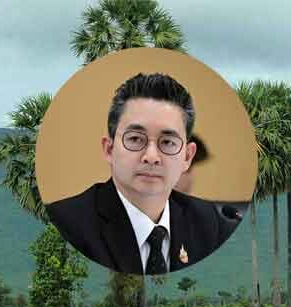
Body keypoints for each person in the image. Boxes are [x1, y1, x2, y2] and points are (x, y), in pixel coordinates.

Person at [46, 73, 242, 275]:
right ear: (109, 149)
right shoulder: (64, 224)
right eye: (135, 139)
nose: (151, 157)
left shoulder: (210, 224)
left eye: (167, 142)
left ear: (187, 156)